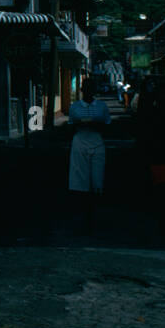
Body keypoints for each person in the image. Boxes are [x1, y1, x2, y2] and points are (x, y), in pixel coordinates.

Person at [67, 80, 111, 233]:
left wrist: (95, 124)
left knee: (97, 179)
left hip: (97, 143)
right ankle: (83, 216)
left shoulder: (101, 107)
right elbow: (71, 125)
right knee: (80, 180)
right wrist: (81, 124)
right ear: (82, 90)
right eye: (86, 89)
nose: (88, 91)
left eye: (91, 88)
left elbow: (107, 125)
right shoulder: (75, 107)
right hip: (80, 143)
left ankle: (94, 214)